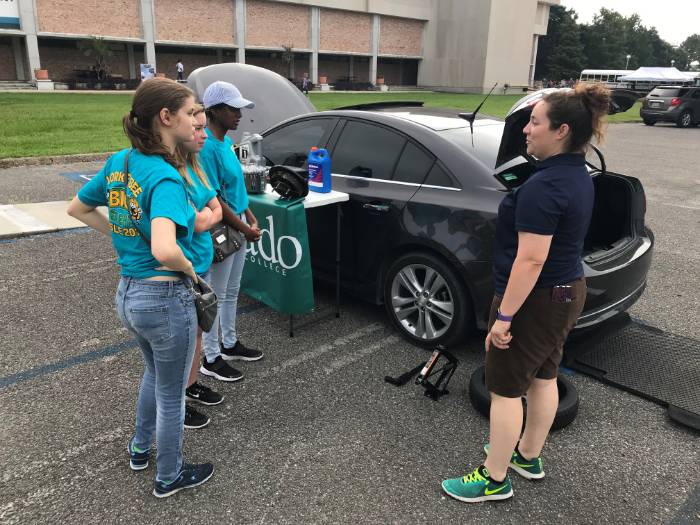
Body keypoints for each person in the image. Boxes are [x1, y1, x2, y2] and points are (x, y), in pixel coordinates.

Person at [442, 83, 610, 503]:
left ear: (561, 130)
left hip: (535, 297)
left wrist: (503, 319)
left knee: (504, 388)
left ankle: (494, 478)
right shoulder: (575, 172)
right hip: (568, 291)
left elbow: (531, 260)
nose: (526, 131)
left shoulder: (545, 186)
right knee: (545, 374)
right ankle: (528, 456)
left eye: (535, 123)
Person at [66, 77, 214, 498]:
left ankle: (139, 448)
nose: (196, 121)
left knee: (153, 374)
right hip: (165, 297)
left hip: (129, 293)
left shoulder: (120, 161)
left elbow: (78, 207)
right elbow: (167, 249)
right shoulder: (166, 177)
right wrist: (191, 270)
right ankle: (169, 475)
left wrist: (123, 235)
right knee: (171, 393)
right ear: (165, 118)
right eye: (190, 114)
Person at [198, 81, 264, 382]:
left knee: (232, 291)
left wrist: (250, 217)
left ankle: (229, 343)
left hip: (237, 222)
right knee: (217, 293)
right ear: (214, 111)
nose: (239, 114)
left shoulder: (224, 142)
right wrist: (244, 228)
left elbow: (236, 190)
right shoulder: (207, 148)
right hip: (221, 226)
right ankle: (210, 358)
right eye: (232, 109)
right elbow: (216, 199)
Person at [176, 104, 225, 429]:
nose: (204, 134)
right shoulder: (168, 174)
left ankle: (190, 385)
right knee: (179, 340)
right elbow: (192, 221)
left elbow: (214, 209)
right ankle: (177, 400)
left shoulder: (194, 167)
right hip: (181, 271)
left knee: (195, 333)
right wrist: (203, 218)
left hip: (202, 264)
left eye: (205, 127)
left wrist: (203, 218)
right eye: (197, 128)